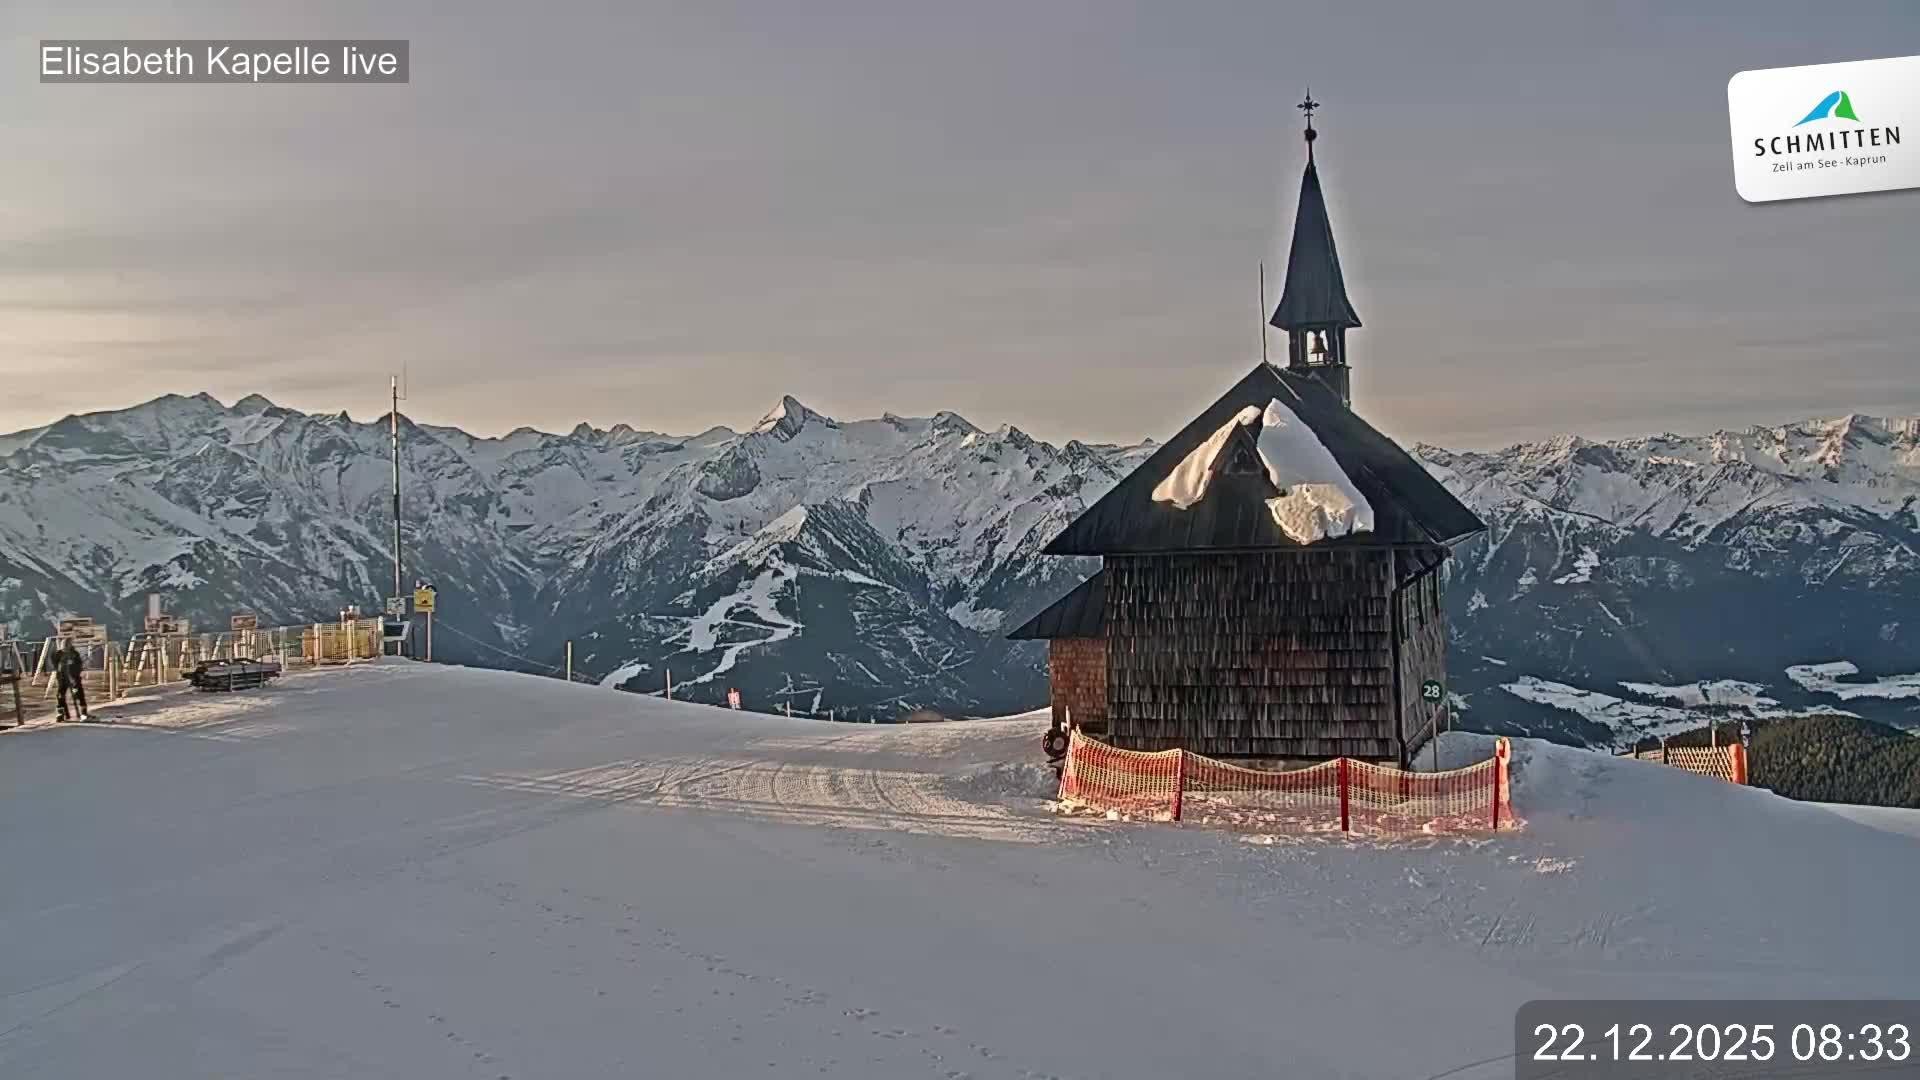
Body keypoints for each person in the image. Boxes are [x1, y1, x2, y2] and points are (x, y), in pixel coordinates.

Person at [54, 640, 90, 722]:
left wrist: (74, 676)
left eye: (66, 646)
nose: (65, 649)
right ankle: (61, 713)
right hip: (63, 679)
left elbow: (79, 666)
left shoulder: (74, 654)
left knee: (78, 694)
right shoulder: (58, 654)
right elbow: (55, 665)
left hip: (74, 680)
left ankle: (83, 713)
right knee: (60, 695)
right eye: (63, 647)